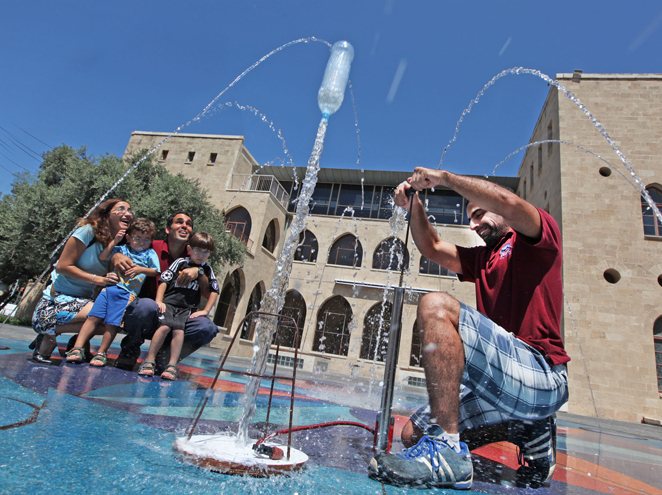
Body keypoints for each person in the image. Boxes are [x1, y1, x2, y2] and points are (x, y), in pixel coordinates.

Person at [368, 167, 570, 490]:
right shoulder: (483, 260)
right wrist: (413, 203)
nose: (473, 225)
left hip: (542, 374)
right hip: (504, 380)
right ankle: (528, 428)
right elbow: (432, 247)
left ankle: (449, 451)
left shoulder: (537, 236)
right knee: (412, 435)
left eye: (478, 213)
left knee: (435, 306)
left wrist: (445, 179)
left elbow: (507, 202)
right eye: (470, 218)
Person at [113, 212, 220, 372]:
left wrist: (199, 273)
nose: (184, 225)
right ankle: (130, 349)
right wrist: (116, 256)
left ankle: (165, 357)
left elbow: (208, 292)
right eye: (179, 222)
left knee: (206, 328)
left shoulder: (196, 257)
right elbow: (128, 248)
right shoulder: (151, 246)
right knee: (145, 306)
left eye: (188, 223)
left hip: (180, 315)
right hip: (151, 313)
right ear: (168, 229)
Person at [31, 199, 135, 364]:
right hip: (54, 303)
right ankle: (47, 330)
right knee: (104, 315)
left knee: (113, 320)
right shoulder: (88, 231)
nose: (128, 213)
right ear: (106, 214)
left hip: (82, 303)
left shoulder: (115, 244)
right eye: (121, 209)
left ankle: (55, 333)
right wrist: (98, 279)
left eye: (130, 210)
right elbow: (63, 266)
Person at [65, 218, 160, 367]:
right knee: (93, 318)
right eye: (137, 238)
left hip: (127, 293)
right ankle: (77, 348)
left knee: (112, 324)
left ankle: (101, 352)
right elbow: (103, 256)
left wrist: (140, 269)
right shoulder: (122, 249)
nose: (142, 242)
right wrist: (115, 241)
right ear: (128, 238)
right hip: (109, 289)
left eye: (146, 239)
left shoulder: (149, 253)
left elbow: (156, 271)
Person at [137, 232, 218, 380]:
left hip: (186, 309)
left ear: (210, 254)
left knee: (179, 331)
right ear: (189, 249)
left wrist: (205, 310)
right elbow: (164, 280)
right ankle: (149, 360)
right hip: (170, 304)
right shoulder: (181, 262)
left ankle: (171, 365)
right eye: (197, 250)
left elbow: (214, 291)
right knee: (164, 327)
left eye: (205, 251)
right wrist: (159, 301)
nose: (201, 254)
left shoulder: (207, 270)